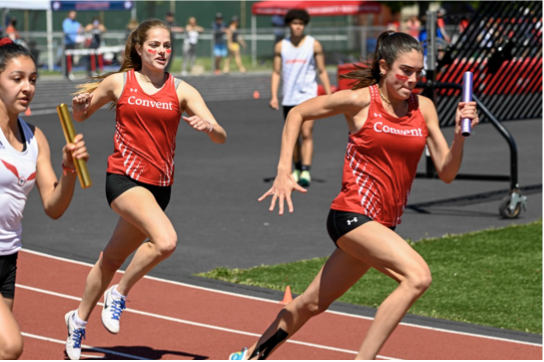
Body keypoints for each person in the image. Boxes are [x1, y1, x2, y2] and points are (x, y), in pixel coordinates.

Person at [229, 31, 478, 360]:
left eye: (419, 72)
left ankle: (247, 356)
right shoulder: (361, 100)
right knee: (417, 277)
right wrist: (283, 170)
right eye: (405, 70)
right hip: (351, 216)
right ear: (384, 67)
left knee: (311, 303)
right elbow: (297, 113)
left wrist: (461, 133)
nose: (413, 79)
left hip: (382, 225)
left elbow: (447, 173)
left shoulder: (425, 108)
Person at [63, 19, 227, 360]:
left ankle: (77, 320)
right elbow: (81, 116)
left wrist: (209, 126)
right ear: (139, 48)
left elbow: (221, 135)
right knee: (166, 241)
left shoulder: (181, 90)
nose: (162, 51)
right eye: (155, 45)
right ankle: (119, 294)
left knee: (110, 259)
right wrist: (80, 109)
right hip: (123, 179)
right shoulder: (119, 82)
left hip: (159, 189)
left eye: (167, 45)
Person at [0, 37, 88, 360]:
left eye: (33, 80)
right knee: (10, 345)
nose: (27, 87)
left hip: (8, 258)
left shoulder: (35, 138)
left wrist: (69, 170)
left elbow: (53, 206)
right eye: (17, 78)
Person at [269, 9, 332, 187]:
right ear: (289, 24)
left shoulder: (314, 45)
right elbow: (275, 72)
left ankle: (306, 169)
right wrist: (274, 96)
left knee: (307, 133)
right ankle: (296, 168)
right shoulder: (281, 46)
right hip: (289, 97)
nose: (298, 27)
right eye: (295, 23)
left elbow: (322, 71)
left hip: (308, 95)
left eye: (301, 24)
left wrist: (328, 95)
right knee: (292, 136)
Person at [62, 10, 82, 80]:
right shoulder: (66, 22)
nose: (73, 15)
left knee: (72, 60)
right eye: (72, 14)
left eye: (74, 14)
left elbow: (81, 29)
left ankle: (70, 72)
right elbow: (67, 32)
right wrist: (76, 32)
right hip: (67, 44)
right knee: (67, 60)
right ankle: (66, 73)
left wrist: (81, 29)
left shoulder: (76, 23)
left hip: (74, 44)